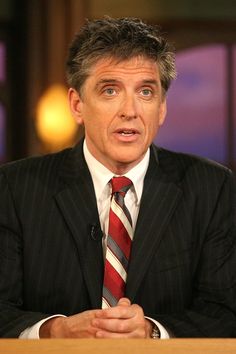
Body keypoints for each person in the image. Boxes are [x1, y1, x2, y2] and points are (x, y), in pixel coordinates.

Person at [0, 16, 236, 339]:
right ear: (77, 104)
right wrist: (54, 331)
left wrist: (153, 332)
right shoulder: (15, 189)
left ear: (162, 108)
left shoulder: (213, 189)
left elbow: (226, 312)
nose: (130, 110)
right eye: (110, 90)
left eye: (146, 92)